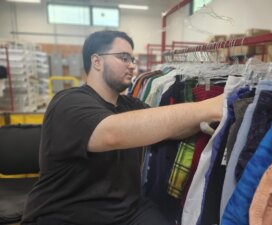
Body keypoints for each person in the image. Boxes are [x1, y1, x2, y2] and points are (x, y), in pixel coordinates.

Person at [21, 30, 224, 225]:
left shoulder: (131, 105)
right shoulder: (68, 102)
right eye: (123, 58)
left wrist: (212, 121)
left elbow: (170, 130)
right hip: (67, 215)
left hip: (127, 211)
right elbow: (111, 133)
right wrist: (207, 107)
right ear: (96, 61)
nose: (132, 66)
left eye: (132, 60)